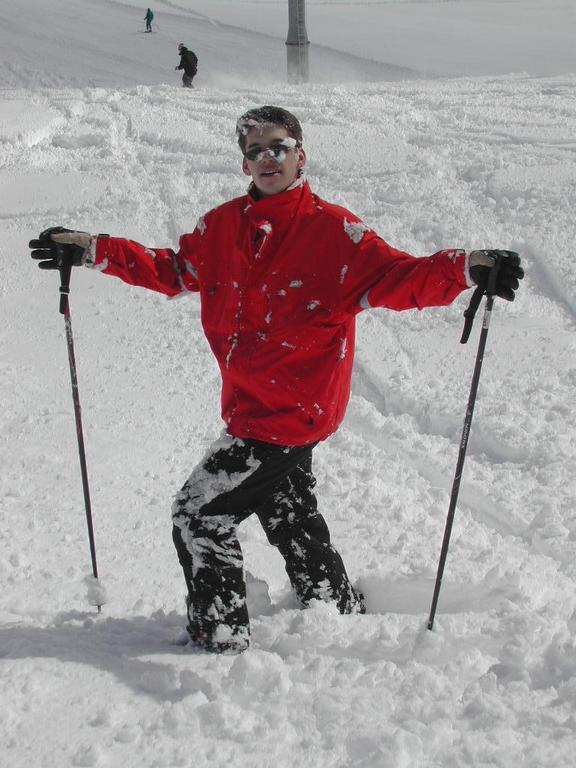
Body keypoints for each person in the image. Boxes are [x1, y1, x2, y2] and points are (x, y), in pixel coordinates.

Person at [29, 106, 524, 655]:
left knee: (199, 514)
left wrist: (466, 267)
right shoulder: (220, 227)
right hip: (251, 407)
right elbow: (172, 270)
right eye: (254, 150)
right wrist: (95, 249)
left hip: (291, 414)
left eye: (277, 147)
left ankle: (219, 640)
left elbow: (398, 277)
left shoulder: (335, 232)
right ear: (244, 162)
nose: (267, 159)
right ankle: (332, 603)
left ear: (300, 155)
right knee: (288, 509)